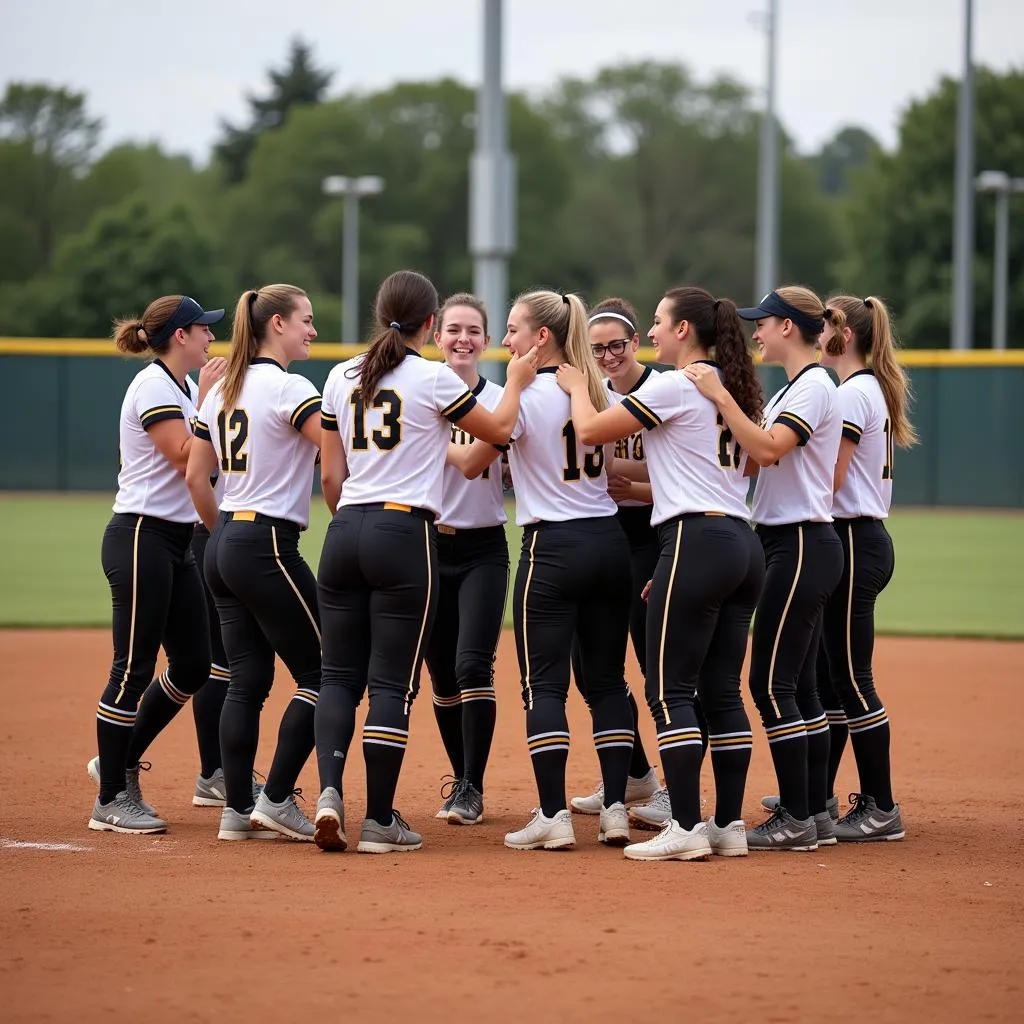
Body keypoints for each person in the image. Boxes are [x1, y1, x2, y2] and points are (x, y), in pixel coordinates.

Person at [313, 270, 536, 854]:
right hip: (404, 530)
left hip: (344, 528)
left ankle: (330, 792)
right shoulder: (433, 378)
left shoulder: (340, 374)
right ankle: (380, 819)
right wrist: (514, 382)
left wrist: (353, 522)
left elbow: (331, 477)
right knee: (391, 682)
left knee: (337, 675)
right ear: (431, 326)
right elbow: (500, 428)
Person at [556, 286, 765, 860]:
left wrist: (578, 388)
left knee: (669, 689)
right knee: (723, 692)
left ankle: (687, 828)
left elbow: (593, 433)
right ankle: (728, 825)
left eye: (656, 323)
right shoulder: (726, 387)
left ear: (681, 331)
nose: (650, 333)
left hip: (695, 539)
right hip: (740, 543)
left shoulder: (676, 383)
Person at [686, 286, 843, 852]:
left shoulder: (816, 386)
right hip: (789, 541)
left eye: (764, 322)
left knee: (770, 683)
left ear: (788, 327)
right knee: (797, 684)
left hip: (800, 540)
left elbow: (770, 449)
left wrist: (722, 398)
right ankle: (816, 814)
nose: (756, 331)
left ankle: (797, 816)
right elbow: (748, 457)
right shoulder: (796, 387)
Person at [498, 290, 635, 853]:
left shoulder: (525, 395)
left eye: (513, 329)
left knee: (544, 685)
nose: (506, 340)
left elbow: (485, 442)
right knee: (607, 681)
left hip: (552, 545)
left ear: (541, 338)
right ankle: (617, 809)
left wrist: (510, 383)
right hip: (608, 541)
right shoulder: (595, 387)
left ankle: (553, 814)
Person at [186, 284, 323, 842]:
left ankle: (236, 810)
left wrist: (228, 539)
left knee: (248, 679)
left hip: (222, 543)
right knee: (326, 671)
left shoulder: (222, 391)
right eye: (306, 320)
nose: (311, 330)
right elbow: (336, 448)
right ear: (277, 325)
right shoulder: (289, 387)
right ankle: (277, 798)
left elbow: (197, 477)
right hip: (266, 540)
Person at [88, 295, 226, 833]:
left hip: (174, 540)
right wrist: (212, 403)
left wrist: (207, 399)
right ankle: (109, 798)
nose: (210, 338)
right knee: (132, 667)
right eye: (202, 329)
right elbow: (184, 455)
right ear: (178, 336)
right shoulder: (153, 387)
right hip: (140, 536)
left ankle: (118, 758)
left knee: (194, 663)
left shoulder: (185, 387)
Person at [812, 294, 912, 841]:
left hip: (853, 538)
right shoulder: (864, 388)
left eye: (823, 323)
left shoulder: (852, 394)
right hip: (857, 538)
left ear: (843, 332)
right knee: (832, 681)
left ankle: (881, 806)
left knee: (850, 680)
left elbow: (828, 479)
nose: (815, 331)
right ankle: (816, 795)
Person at [568, 298, 662, 823]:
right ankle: (635, 774)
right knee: (594, 667)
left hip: (650, 536)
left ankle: (673, 786)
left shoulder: (660, 389)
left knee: (654, 665)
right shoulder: (589, 393)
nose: (607, 356)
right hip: (605, 535)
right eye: (597, 346)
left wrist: (634, 477)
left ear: (635, 344)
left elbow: (676, 467)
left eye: (616, 345)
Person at [425, 293, 510, 826]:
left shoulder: (501, 400)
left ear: (487, 339)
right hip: (427, 544)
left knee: (473, 664)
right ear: (437, 336)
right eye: (453, 329)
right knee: (442, 677)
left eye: (473, 331)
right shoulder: (420, 394)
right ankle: (460, 779)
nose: (462, 339)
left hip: (482, 546)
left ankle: (473, 787)